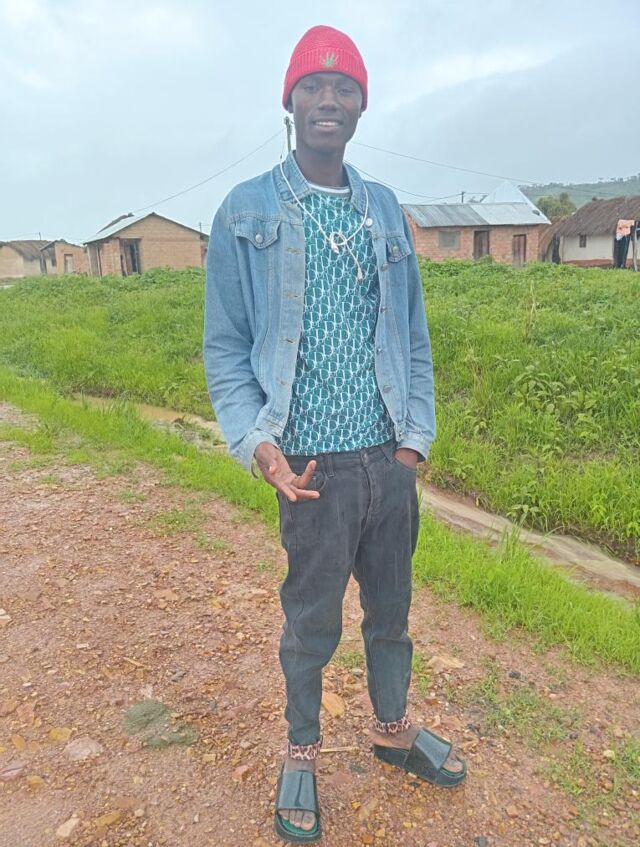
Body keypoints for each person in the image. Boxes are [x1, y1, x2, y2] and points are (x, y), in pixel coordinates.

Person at [204, 24, 467, 844]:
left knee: (392, 611)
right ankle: (301, 750)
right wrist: (259, 446)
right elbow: (224, 348)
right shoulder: (246, 210)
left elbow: (413, 335)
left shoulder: (382, 208)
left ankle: (391, 728)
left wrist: (412, 446)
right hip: (309, 469)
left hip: (386, 461)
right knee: (311, 622)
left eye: (343, 87)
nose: (329, 100)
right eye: (313, 87)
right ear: (290, 102)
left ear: (360, 104)